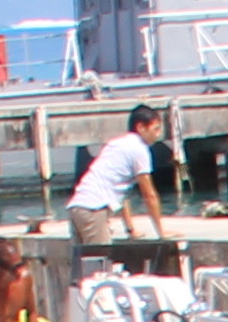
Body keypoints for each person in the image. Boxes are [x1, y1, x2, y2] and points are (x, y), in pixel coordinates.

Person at [67, 105, 171, 250]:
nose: (158, 135)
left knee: (82, 264)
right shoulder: (139, 149)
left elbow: (122, 194)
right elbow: (149, 195)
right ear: (141, 127)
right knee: (100, 263)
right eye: (156, 129)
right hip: (94, 208)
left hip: (77, 206)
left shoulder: (116, 143)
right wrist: (162, 232)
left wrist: (130, 230)